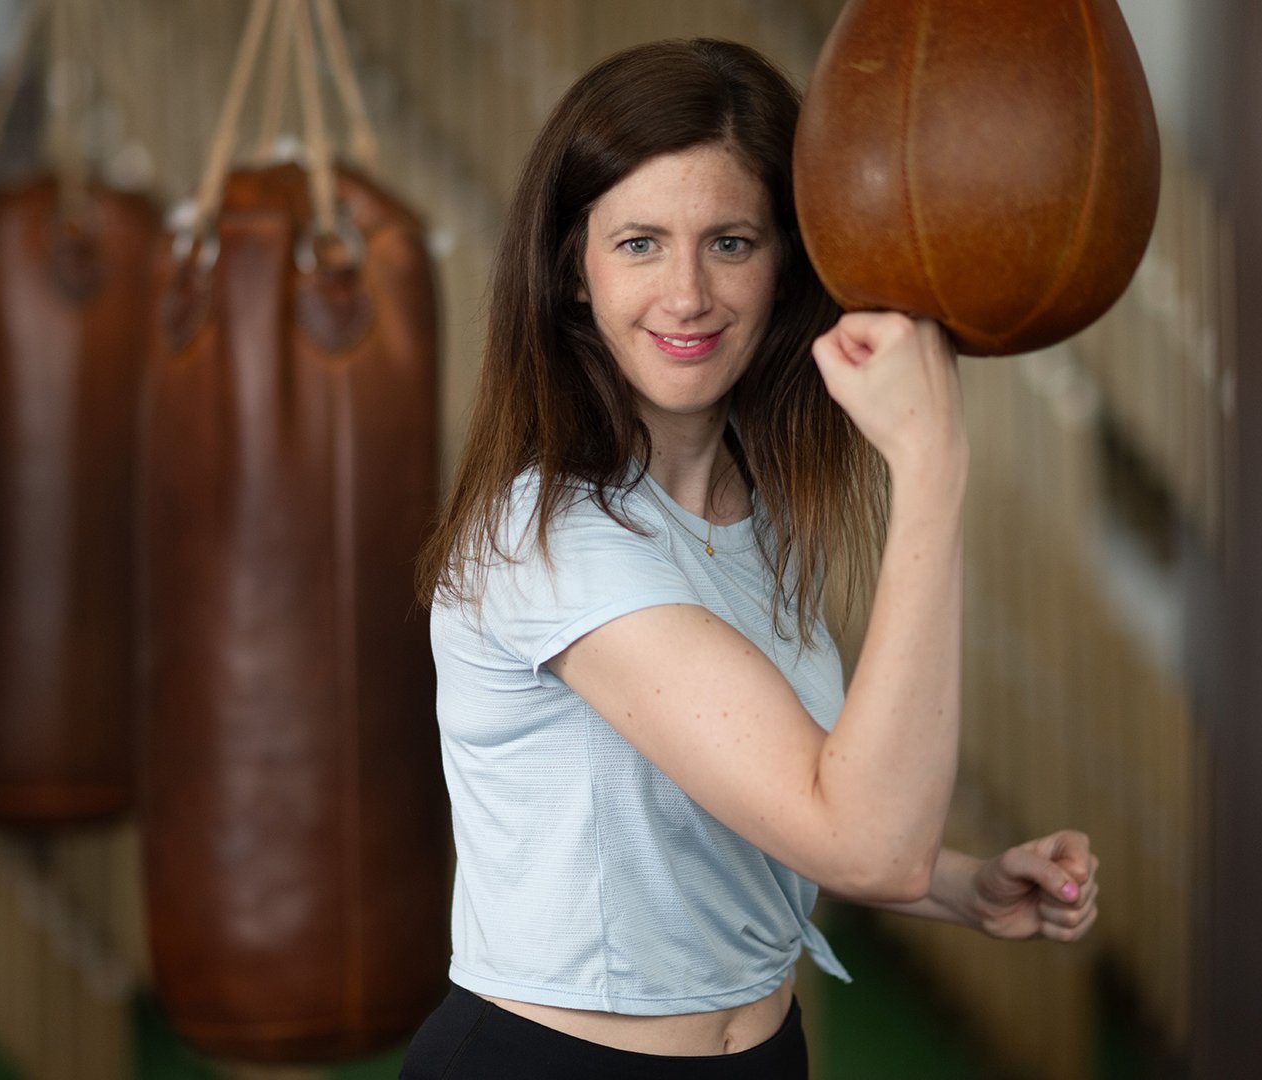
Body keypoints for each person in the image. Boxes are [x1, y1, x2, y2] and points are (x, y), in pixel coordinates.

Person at [404, 38, 1099, 1079]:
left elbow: (789, 799)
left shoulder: (749, 508)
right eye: (640, 243)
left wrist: (961, 884)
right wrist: (932, 465)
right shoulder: (547, 542)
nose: (687, 293)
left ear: (786, 268)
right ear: (575, 272)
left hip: (764, 1054)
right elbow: (862, 841)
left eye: (730, 242)